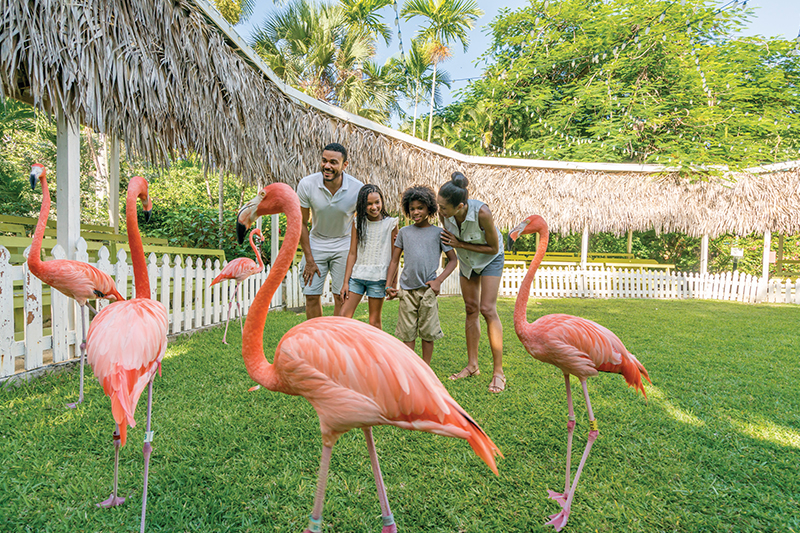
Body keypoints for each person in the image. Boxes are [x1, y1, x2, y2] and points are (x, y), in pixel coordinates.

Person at [438, 172, 506, 393]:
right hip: (468, 262)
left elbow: (493, 248)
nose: (440, 211)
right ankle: (472, 365)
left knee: (487, 309)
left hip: (490, 259)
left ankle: (498, 372)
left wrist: (460, 244)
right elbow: (449, 240)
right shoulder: (445, 215)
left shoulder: (482, 213)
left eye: (443, 207)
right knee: (470, 309)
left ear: (460, 206)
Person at [385, 185, 458, 366]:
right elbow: (394, 261)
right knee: (407, 332)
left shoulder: (439, 233)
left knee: (427, 332)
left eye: (420, 208)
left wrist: (438, 281)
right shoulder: (404, 232)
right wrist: (388, 285)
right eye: (412, 209)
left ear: (429, 208)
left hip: (427, 291)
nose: (415, 212)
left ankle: (425, 368)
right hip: (407, 291)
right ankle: (411, 369)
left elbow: (453, 260)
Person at [296, 143, 363, 319]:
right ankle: (315, 339)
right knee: (311, 296)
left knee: (341, 297)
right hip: (316, 243)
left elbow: (361, 223)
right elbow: (301, 223)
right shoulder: (307, 184)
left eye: (333, 162)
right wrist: (309, 259)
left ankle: (335, 342)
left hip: (344, 245)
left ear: (345, 165)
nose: (327, 166)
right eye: (324, 161)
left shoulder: (357, 189)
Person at [341, 184, 398, 329]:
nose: (374, 207)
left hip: (378, 280)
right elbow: (352, 253)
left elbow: (394, 258)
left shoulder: (391, 224)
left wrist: (392, 284)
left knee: (374, 322)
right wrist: (346, 282)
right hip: (357, 277)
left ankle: (376, 352)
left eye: (377, 202)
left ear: (382, 201)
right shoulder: (357, 223)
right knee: (343, 317)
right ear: (362, 205)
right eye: (369, 204)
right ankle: (344, 350)